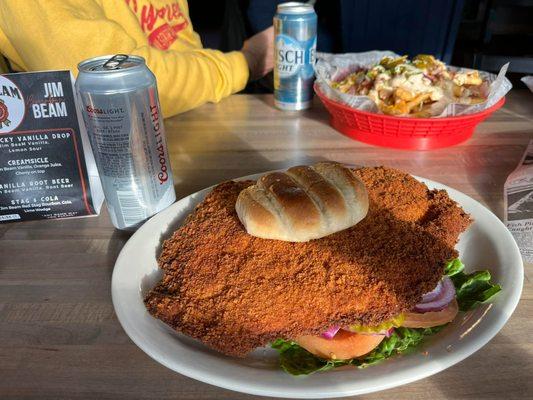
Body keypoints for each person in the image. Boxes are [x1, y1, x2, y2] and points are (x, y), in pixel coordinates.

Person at [0, 0, 273, 117]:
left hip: (197, 125)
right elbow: (116, 84)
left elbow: (183, 49)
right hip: (110, 170)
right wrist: (246, 61)